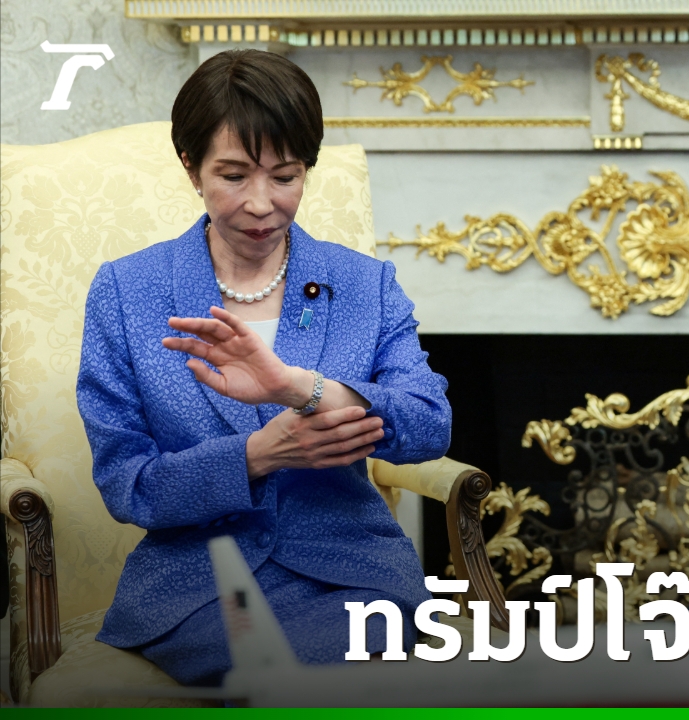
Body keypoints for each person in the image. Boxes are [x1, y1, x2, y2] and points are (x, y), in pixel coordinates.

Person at [76, 49, 448, 686]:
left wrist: (300, 388)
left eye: (285, 176)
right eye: (234, 175)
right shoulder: (127, 291)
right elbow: (127, 484)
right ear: (191, 166)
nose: (260, 203)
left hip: (354, 572)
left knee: (348, 650)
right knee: (278, 660)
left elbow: (429, 424)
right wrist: (256, 455)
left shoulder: (364, 284)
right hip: (199, 582)